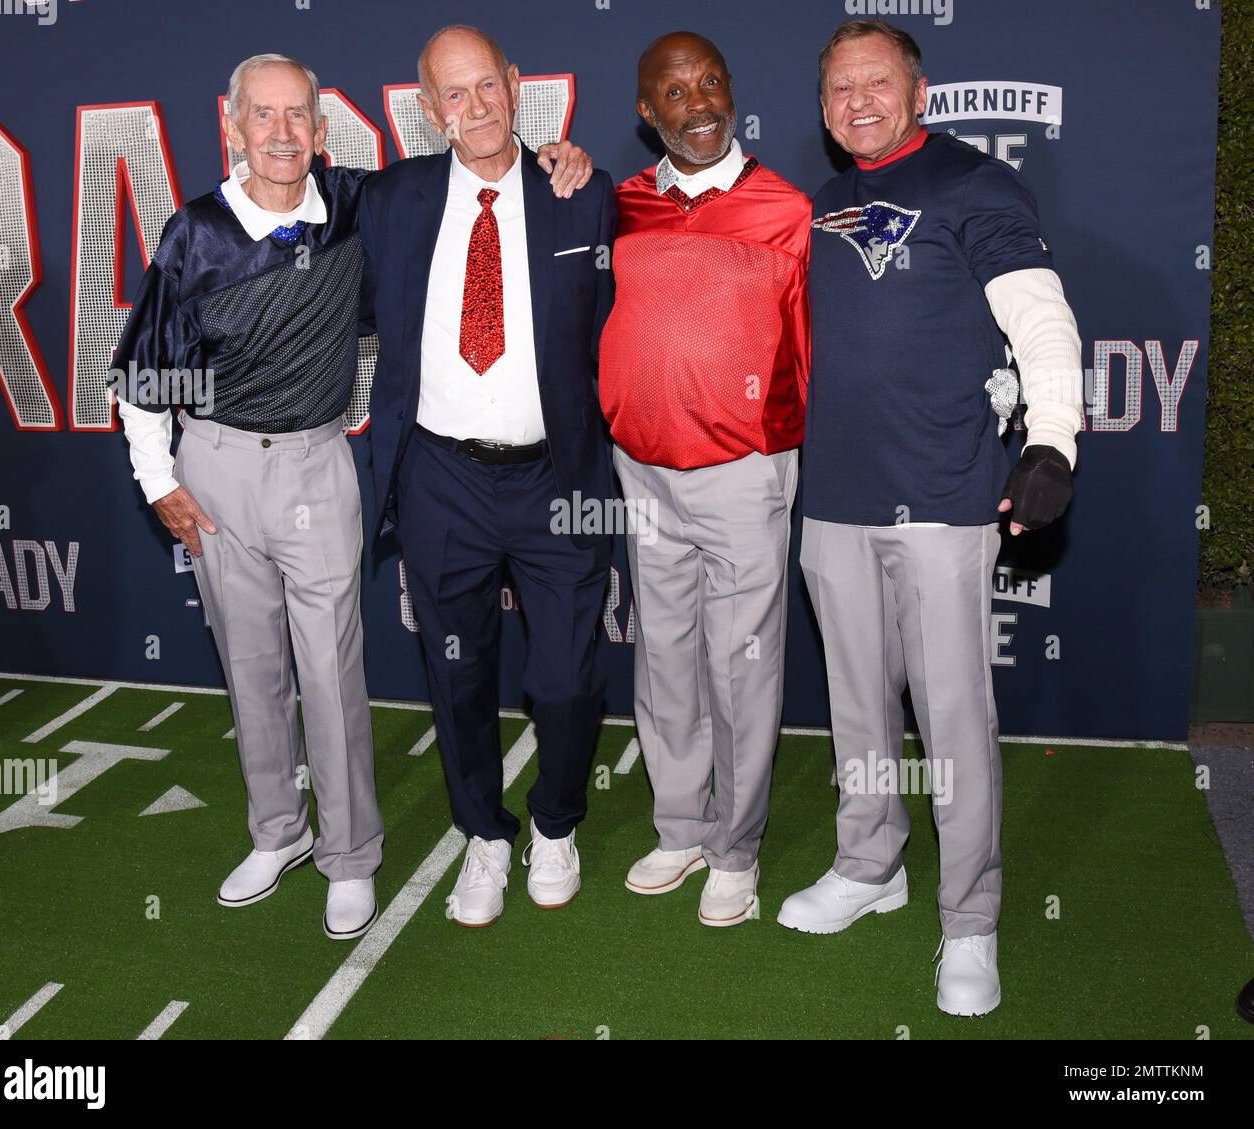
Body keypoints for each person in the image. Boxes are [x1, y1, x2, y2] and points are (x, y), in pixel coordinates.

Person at [111, 52, 591, 940]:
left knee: (331, 669)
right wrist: (157, 476)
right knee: (250, 666)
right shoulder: (195, 232)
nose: (283, 133)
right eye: (264, 116)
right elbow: (144, 364)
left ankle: (350, 854)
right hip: (214, 463)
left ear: (321, 130)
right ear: (232, 126)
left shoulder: (360, 204)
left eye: (299, 115)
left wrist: (562, 157)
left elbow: (483, 166)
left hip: (318, 462)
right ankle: (277, 831)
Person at [777, 19, 1084, 1016]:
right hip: (835, 501)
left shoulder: (973, 185)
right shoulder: (823, 205)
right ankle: (869, 864)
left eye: (875, 83)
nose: (856, 103)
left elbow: (1038, 315)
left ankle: (970, 917)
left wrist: (1051, 441)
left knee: (952, 721)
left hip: (943, 499)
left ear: (917, 90)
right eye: (837, 90)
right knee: (859, 706)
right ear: (821, 107)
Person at [358, 25, 616, 927]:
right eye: (452, 95)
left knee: (567, 679)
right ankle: (484, 833)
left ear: (515, 84)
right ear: (428, 109)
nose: (474, 109)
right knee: (457, 675)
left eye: (487, 87)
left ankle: (555, 822)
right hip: (440, 479)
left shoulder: (580, 193)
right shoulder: (390, 199)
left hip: (558, 478)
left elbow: (616, 325)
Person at [599, 31, 810, 927]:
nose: (699, 105)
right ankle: (680, 825)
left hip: (743, 473)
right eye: (676, 92)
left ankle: (736, 845)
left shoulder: (787, 209)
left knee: (742, 665)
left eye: (712, 83)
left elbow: (818, 351)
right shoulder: (618, 206)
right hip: (641, 470)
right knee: (665, 657)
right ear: (648, 113)